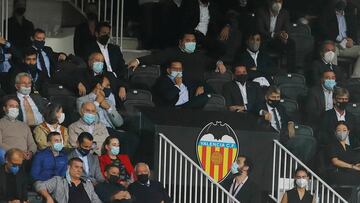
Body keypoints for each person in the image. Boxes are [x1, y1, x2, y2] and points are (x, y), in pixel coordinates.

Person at [128, 31, 224, 86]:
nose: (191, 43)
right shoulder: (171, 52)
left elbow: (212, 62)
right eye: (188, 40)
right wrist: (138, 60)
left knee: (211, 95)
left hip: (198, 87)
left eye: (193, 41)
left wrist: (219, 63)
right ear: (180, 42)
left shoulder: (199, 55)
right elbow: (155, 58)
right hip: (177, 86)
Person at [77, 75, 138, 156]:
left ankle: (123, 164)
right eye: (107, 85)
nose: (109, 88)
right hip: (97, 130)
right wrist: (97, 103)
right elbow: (89, 121)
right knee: (125, 139)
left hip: (111, 130)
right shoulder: (82, 100)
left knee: (133, 139)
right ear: (98, 86)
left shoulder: (108, 101)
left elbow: (119, 123)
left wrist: (108, 108)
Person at [83, 22, 128, 102]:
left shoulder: (115, 49)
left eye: (108, 33)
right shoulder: (89, 48)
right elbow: (88, 67)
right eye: (104, 33)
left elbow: (122, 68)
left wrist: (122, 86)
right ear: (97, 34)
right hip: (99, 80)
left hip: (116, 81)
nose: (106, 36)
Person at [320, 0, 360, 78]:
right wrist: (340, 39)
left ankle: (356, 78)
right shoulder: (327, 15)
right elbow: (323, 31)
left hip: (347, 45)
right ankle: (333, 78)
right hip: (333, 44)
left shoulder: (350, 16)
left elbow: (354, 34)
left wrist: (352, 41)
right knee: (330, 51)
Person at [34, 157, 102, 203]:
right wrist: (48, 197)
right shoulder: (58, 181)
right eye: (76, 167)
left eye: (81, 168)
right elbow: (38, 185)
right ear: (68, 167)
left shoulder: (87, 184)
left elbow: (96, 201)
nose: (79, 170)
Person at [256, 0, 296, 72]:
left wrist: (285, 36)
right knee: (261, 44)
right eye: (275, 1)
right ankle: (263, 71)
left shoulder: (284, 13)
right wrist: (274, 34)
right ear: (270, 2)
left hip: (278, 40)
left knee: (291, 43)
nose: (278, 4)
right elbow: (260, 30)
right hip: (265, 38)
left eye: (280, 1)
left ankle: (291, 72)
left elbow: (287, 29)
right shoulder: (261, 11)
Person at [0, 95, 37, 160]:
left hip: (26, 158)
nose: (14, 108)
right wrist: (18, 152)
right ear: (4, 108)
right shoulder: (1, 123)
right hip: (9, 158)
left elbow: (32, 144)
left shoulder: (24, 125)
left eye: (16, 106)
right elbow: (0, 145)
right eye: (11, 106)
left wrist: (31, 152)